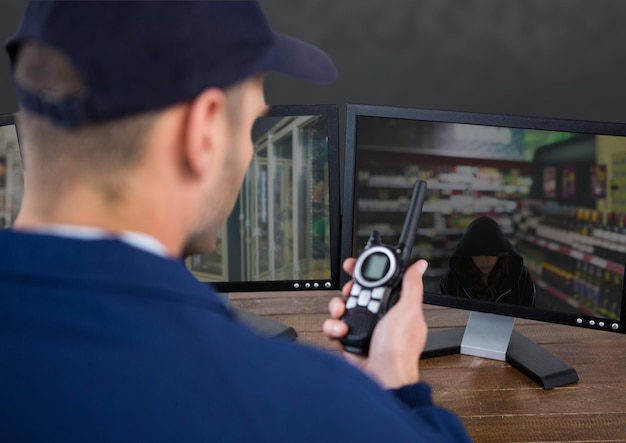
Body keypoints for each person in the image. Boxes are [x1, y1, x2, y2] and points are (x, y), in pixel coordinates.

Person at [0, 1, 471, 442]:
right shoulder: (306, 406)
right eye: (250, 126)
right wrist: (394, 386)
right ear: (202, 132)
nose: (248, 151)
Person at [440, 215, 536, 307]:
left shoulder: (521, 277)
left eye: (491, 253)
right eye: (478, 254)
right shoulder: (452, 279)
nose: (485, 261)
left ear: (501, 252)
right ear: (468, 254)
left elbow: (532, 317)